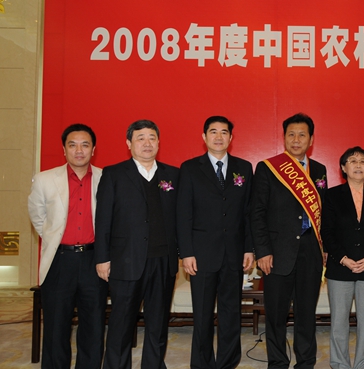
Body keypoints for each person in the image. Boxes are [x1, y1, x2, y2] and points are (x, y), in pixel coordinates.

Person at [95, 119, 180, 369]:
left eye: (152, 138)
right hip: (126, 261)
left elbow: (181, 217)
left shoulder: (173, 175)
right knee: (121, 323)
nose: (147, 143)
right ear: (129, 143)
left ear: (159, 143)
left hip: (163, 262)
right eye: (140, 138)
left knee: (158, 324)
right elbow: (103, 219)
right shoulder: (113, 174)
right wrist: (102, 258)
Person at [28, 123, 108, 369]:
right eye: (72, 145)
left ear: (93, 149)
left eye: (85, 145)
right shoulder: (44, 179)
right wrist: (56, 239)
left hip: (94, 261)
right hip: (59, 261)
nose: (79, 150)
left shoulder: (106, 178)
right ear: (64, 149)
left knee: (93, 326)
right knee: (56, 326)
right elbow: (38, 217)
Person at [251, 113, 327, 369]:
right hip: (276, 252)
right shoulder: (268, 168)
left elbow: (323, 213)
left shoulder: (319, 170)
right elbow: (257, 212)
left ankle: (306, 362)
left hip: (310, 251)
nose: (296, 139)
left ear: (311, 140)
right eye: (291, 134)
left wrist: (324, 248)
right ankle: (277, 363)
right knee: (276, 315)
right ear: (284, 138)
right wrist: (263, 251)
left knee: (306, 314)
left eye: (302, 135)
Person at [177, 115, 254, 369]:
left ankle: (227, 363)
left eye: (224, 132)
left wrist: (249, 248)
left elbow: (248, 213)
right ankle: (202, 364)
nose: (218, 137)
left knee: (231, 313)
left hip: (234, 253)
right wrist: (186, 252)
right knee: (202, 314)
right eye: (213, 132)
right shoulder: (190, 168)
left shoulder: (244, 168)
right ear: (204, 137)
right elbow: (183, 214)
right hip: (201, 255)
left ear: (231, 138)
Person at [321, 146, 364, 369]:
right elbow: (327, 232)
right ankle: (339, 364)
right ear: (343, 168)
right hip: (340, 267)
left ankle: (363, 364)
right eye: (352, 161)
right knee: (339, 322)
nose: (358, 165)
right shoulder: (332, 195)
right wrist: (343, 258)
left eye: (363, 161)